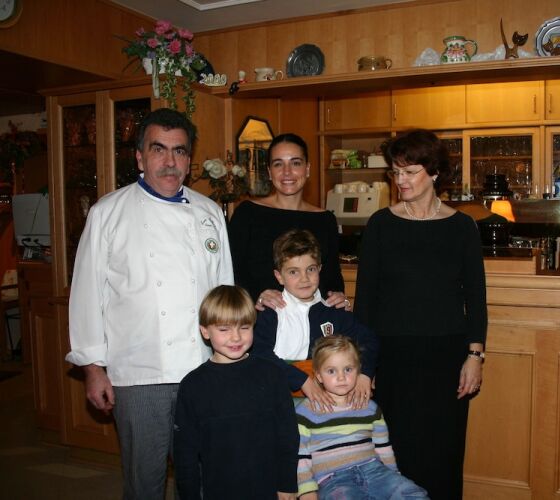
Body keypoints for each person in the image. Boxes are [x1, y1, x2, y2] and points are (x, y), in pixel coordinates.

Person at [65, 108, 234, 499]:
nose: (170, 161)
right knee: (144, 481)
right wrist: (93, 368)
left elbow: (224, 294)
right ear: (140, 157)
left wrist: (228, 365)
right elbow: (87, 295)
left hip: (202, 370)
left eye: (179, 151)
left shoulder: (210, 213)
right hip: (139, 373)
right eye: (159, 149)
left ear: (189, 160)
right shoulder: (107, 213)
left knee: (204, 477)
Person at [354, 129, 487, 499]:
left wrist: (474, 356)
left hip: (446, 359)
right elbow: (365, 301)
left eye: (410, 172)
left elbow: (476, 298)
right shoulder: (380, 224)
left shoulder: (462, 227)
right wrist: (363, 365)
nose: (400, 180)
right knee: (392, 453)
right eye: (395, 172)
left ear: (434, 172)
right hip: (391, 358)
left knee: (443, 455)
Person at [173, 285, 298, 500]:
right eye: (224, 329)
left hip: (269, 488)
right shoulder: (193, 386)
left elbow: (288, 435)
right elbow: (185, 454)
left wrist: (287, 484)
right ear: (205, 331)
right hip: (219, 490)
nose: (236, 337)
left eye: (244, 327)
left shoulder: (272, 375)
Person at [254, 228, 378, 411]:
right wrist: (302, 380)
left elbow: (369, 340)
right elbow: (259, 354)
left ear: (319, 269)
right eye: (293, 272)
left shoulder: (333, 310)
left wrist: (364, 374)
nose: (304, 279)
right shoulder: (272, 313)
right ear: (279, 276)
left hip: (327, 403)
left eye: (310, 269)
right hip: (278, 400)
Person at [296, 335, 428, 500]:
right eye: (331, 371)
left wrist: (394, 475)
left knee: (414, 494)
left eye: (348, 369)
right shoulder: (306, 411)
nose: (341, 377)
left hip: (375, 471)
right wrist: (306, 491)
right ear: (319, 376)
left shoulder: (370, 408)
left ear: (358, 371)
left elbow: (383, 447)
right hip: (333, 480)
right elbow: (301, 456)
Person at [228, 133, 348, 311]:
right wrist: (257, 295)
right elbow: (232, 271)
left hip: (313, 320)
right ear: (269, 172)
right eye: (278, 164)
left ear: (307, 169)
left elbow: (332, 278)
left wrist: (339, 297)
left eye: (295, 163)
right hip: (262, 319)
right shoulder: (248, 213)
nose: (287, 172)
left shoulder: (325, 219)